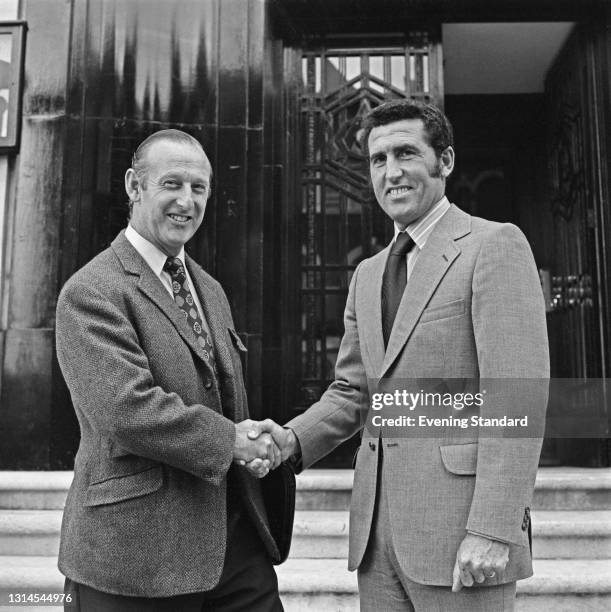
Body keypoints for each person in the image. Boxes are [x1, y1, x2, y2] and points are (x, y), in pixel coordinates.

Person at [256, 99, 549, 611]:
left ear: (446, 162)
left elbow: (516, 399)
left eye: (406, 153)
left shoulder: (494, 245)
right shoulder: (367, 274)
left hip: (463, 535)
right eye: (378, 159)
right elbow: (352, 392)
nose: (391, 172)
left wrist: (493, 528)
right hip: (376, 539)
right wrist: (290, 441)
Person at [55, 129, 286, 611]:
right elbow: (126, 410)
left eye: (199, 188)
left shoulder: (210, 289)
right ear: (134, 187)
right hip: (136, 555)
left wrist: (256, 443)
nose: (187, 201)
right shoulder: (91, 291)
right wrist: (235, 442)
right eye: (172, 184)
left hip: (235, 545)